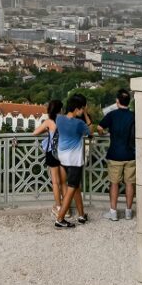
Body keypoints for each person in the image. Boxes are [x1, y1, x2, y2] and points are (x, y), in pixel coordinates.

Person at [53, 94, 91, 229]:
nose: (83, 110)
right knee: (71, 188)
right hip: (74, 160)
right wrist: (86, 115)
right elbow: (90, 132)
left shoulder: (59, 119)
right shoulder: (79, 123)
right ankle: (60, 219)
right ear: (77, 109)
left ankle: (81, 215)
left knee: (75, 187)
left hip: (62, 159)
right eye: (82, 108)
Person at [99, 89, 135, 221]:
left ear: (117, 101)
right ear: (128, 102)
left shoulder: (112, 115)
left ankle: (113, 212)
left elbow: (99, 128)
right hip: (130, 154)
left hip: (115, 154)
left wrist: (104, 133)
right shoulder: (133, 115)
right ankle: (128, 212)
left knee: (114, 183)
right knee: (130, 183)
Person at [31, 99, 65, 215]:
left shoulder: (49, 122)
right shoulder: (65, 121)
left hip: (52, 153)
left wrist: (46, 130)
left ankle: (59, 207)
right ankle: (66, 209)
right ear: (60, 109)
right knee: (64, 182)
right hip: (64, 154)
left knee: (55, 182)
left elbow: (34, 133)